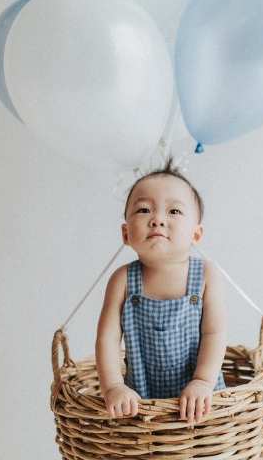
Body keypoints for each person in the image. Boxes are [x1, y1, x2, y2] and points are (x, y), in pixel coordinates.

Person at [95, 157, 227, 425]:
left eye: (174, 212)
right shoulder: (122, 280)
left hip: (198, 403)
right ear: (125, 233)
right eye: (143, 210)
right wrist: (114, 387)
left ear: (196, 234)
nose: (157, 219)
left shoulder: (206, 276)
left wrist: (203, 381)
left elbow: (215, 333)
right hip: (142, 404)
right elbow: (107, 340)